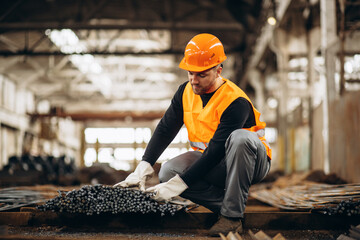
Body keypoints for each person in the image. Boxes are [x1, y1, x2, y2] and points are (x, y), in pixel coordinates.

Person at [114, 33, 272, 235]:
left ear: (218, 70)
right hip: (216, 164)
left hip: (251, 163)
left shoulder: (235, 101)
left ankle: (232, 217)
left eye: (201, 75)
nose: (194, 80)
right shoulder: (185, 92)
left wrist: (177, 186)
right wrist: (144, 166)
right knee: (168, 172)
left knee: (240, 138)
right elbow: (165, 129)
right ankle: (230, 204)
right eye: (190, 73)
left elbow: (216, 150)